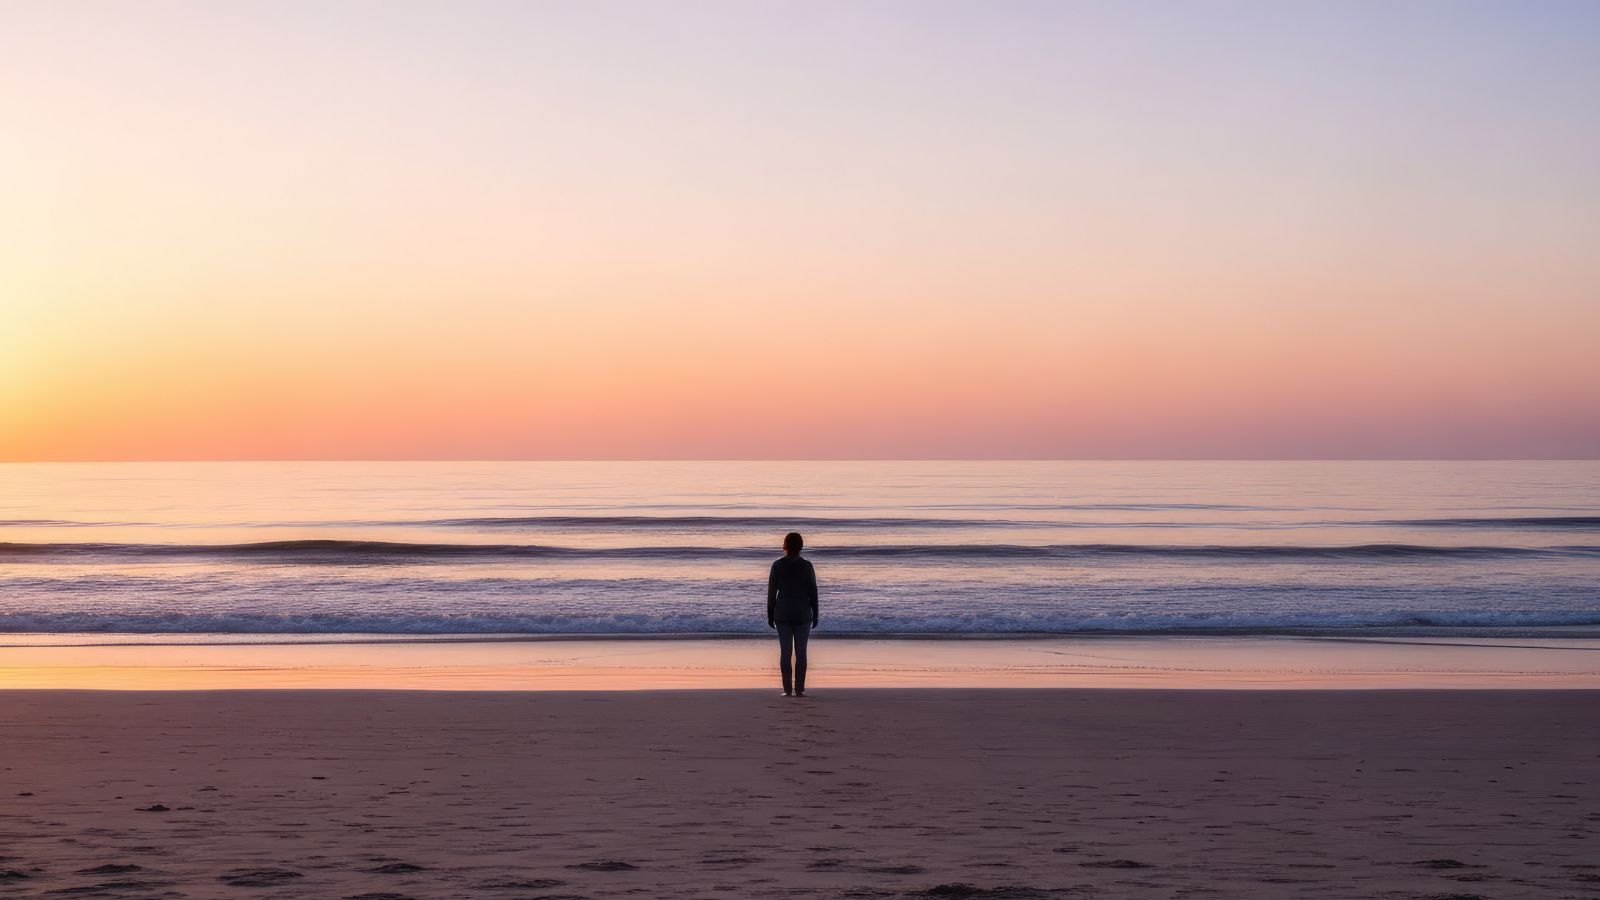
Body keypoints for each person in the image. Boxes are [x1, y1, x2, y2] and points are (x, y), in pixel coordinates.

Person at [767, 531, 818, 697]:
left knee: (786, 652)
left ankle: (787, 689)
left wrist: (770, 613)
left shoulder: (777, 565)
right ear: (801, 546)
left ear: (785, 546)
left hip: (783, 612)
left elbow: (772, 592)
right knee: (801, 652)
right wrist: (816, 612)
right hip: (803, 612)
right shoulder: (807, 566)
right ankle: (800, 689)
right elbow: (813, 591)